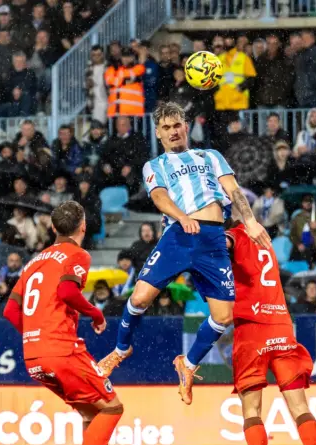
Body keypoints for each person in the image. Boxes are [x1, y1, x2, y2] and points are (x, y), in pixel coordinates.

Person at [99, 102, 269, 405]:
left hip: (214, 240)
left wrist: (251, 221)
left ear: (185, 126)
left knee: (223, 317)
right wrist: (182, 216)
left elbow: (233, 190)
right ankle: (121, 349)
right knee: (139, 299)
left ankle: (188, 364)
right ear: (158, 134)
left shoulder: (211, 156)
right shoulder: (155, 165)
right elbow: (160, 197)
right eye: (166, 128)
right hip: (179, 235)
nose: (173, 131)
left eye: (177, 125)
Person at [2, 201, 149, 445]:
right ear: (83, 227)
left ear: (53, 228)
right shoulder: (77, 255)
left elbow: (10, 311)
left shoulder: (33, 262)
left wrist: (35, 336)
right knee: (113, 407)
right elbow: (68, 292)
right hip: (62, 349)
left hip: (34, 355)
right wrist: (95, 313)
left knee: (91, 414)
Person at [224, 220, 316, 445]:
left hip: (251, 329)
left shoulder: (233, 236)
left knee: (251, 410)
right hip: (281, 325)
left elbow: (219, 245)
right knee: (299, 406)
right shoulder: (264, 240)